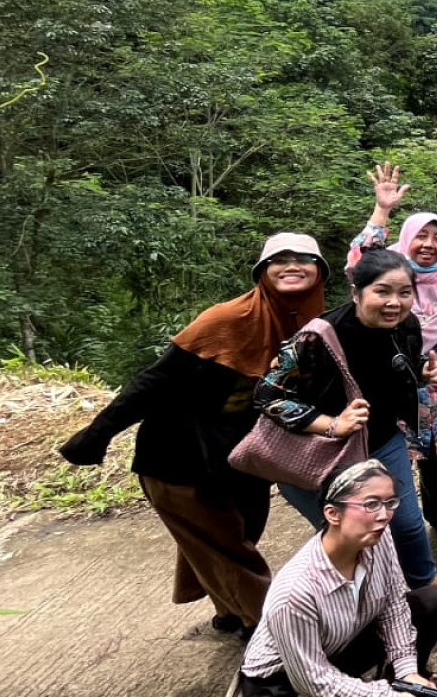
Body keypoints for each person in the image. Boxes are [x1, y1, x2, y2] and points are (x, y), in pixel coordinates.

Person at [61, 233, 328, 638]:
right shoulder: (225, 321)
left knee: (239, 533)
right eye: (281, 259)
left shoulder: (312, 325)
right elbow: (155, 381)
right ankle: (273, 632)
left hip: (242, 456)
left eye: (305, 258)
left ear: (320, 271)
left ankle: (229, 611)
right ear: (262, 272)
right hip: (180, 456)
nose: (293, 265)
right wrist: (98, 433)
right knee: (231, 549)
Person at [255, 248, 437, 588]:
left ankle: (423, 582)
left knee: (405, 523)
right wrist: (332, 424)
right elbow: (267, 395)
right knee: (354, 534)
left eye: (405, 293)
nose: (395, 302)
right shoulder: (317, 337)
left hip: (381, 439)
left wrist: (425, 371)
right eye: (382, 291)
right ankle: (361, 598)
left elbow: (400, 363)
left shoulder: (406, 325)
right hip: (322, 452)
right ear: (356, 293)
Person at [235, 460, 437, 697]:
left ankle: (392, 687)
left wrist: (406, 672)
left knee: (435, 599)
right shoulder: (294, 593)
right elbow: (316, 682)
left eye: (390, 502)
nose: (384, 515)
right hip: (285, 689)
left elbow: (394, 607)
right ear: (332, 513)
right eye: (371, 504)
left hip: (336, 648)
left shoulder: (378, 537)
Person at [347, 163, 437, 534]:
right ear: (408, 237)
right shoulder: (392, 270)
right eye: (422, 235)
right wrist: (382, 210)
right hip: (397, 376)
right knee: (394, 451)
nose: (429, 244)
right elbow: (359, 263)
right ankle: (397, 523)